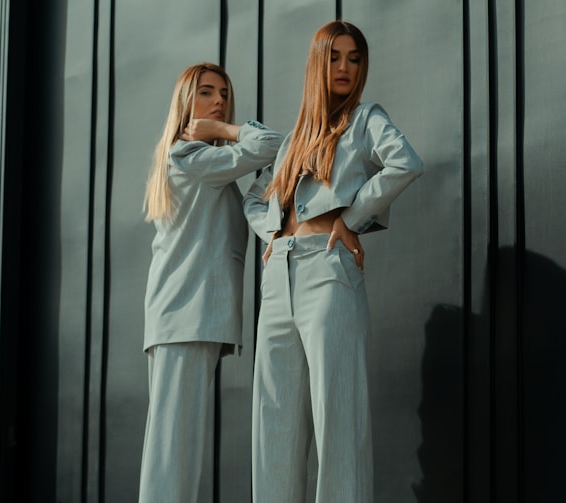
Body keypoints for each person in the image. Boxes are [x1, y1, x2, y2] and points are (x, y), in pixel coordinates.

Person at [243, 21, 423, 502]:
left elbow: (405, 161)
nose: (345, 67)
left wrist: (353, 217)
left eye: (355, 58)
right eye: (335, 57)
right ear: (317, 64)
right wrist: (274, 231)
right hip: (278, 276)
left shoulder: (365, 119)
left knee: (337, 419)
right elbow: (255, 200)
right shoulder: (293, 139)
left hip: (328, 272)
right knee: (274, 423)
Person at [139, 62, 283, 503]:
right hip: (186, 315)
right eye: (206, 92)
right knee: (174, 451)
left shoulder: (201, 162)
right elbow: (273, 143)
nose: (218, 100)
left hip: (187, 317)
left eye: (223, 93)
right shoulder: (192, 156)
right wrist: (227, 128)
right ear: (186, 105)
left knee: (176, 445)